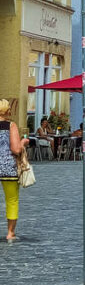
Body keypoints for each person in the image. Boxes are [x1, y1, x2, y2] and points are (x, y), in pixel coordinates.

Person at [0, 97, 29, 242]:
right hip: (7, 167)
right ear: (7, 111)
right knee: (12, 200)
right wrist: (23, 142)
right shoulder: (10, 125)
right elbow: (16, 149)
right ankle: (10, 233)